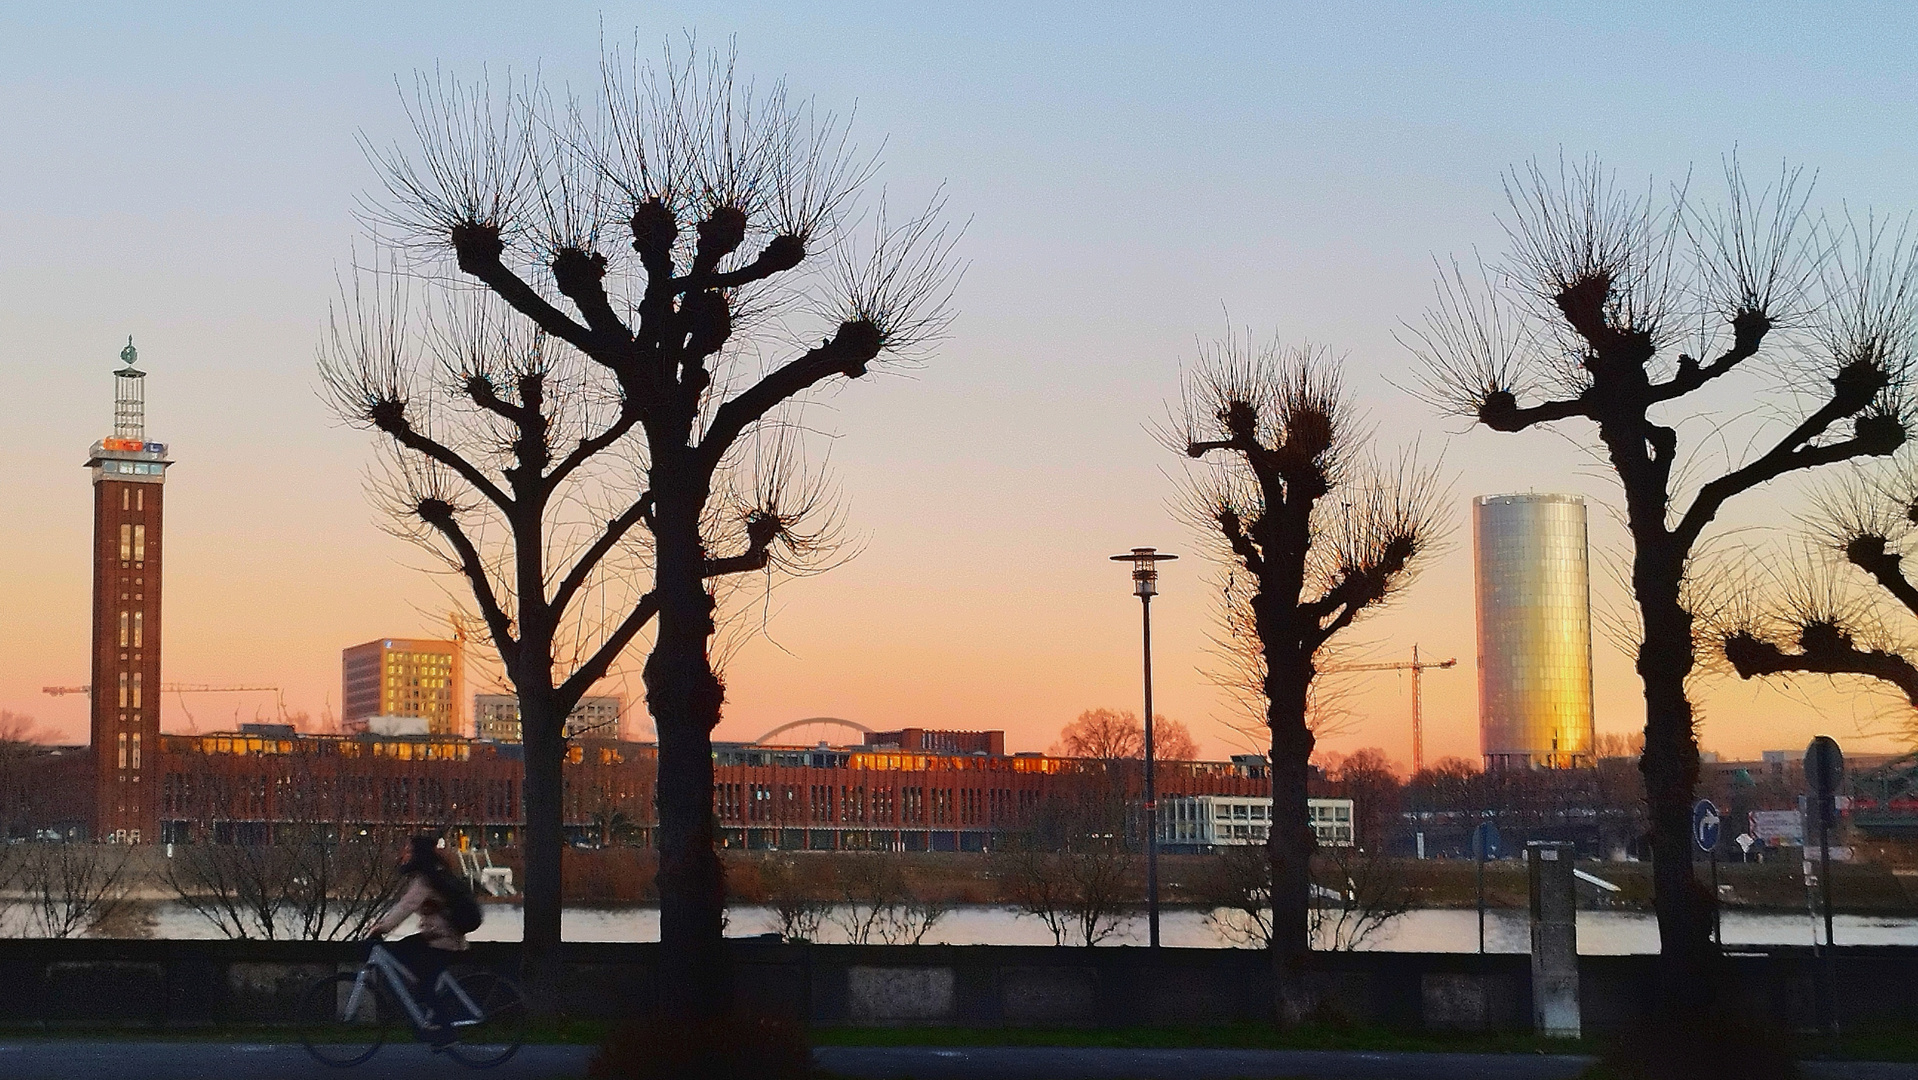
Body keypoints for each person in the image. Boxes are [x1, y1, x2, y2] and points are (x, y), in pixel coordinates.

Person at [370, 835, 477, 1032]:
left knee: (424, 985)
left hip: (443, 940)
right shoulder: (437, 874)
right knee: (403, 949)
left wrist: (380, 929)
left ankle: (445, 1030)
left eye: (409, 851)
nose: (405, 854)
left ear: (418, 855)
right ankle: (427, 1013)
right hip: (440, 936)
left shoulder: (426, 881)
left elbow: (407, 906)